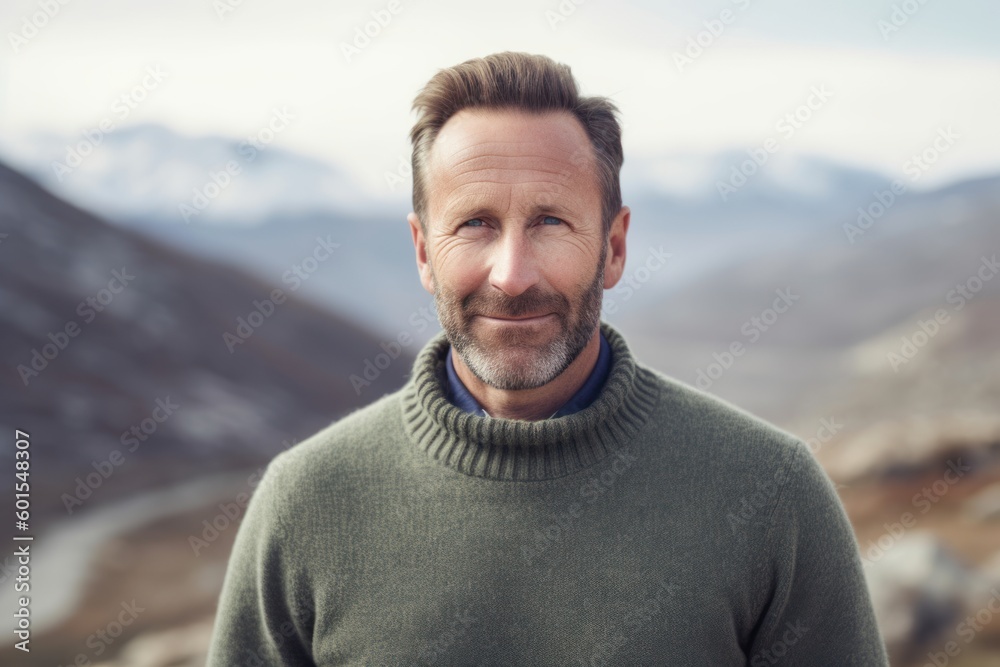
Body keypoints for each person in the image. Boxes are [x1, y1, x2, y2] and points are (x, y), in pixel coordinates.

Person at [207, 51, 890, 665]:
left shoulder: (772, 491)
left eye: (551, 222)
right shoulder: (305, 502)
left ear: (614, 247)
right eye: (475, 223)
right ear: (422, 250)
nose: (511, 274)